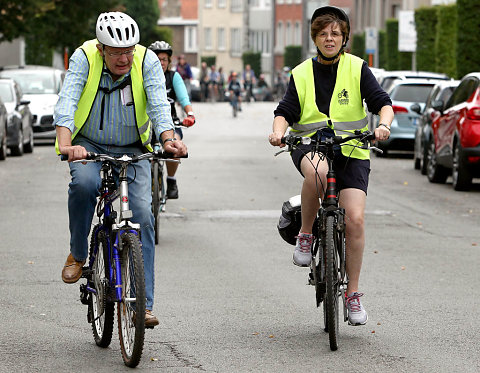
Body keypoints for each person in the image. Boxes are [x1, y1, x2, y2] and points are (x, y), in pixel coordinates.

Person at [54, 12, 187, 328]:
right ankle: (78, 253)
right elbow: (67, 100)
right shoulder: (85, 57)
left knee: (143, 214)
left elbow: (158, 105)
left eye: (129, 49)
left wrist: (168, 139)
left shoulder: (147, 61)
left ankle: (145, 306)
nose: (124, 58)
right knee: (84, 186)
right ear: (102, 49)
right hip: (88, 145)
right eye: (116, 52)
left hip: (134, 148)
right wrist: (66, 143)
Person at [268, 6, 393, 326]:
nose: (329, 38)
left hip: (352, 148)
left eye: (335, 33)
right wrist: (278, 132)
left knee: (355, 219)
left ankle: (352, 295)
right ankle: (306, 235)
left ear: (345, 38)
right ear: (315, 38)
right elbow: (285, 110)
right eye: (323, 33)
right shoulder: (300, 73)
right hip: (311, 145)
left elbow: (382, 103)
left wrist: (384, 126)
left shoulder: (358, 68)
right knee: (319, 172)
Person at [148, 41, 195, 199]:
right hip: (147, 124)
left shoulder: (173, 77)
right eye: (157, 59)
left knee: (175, 147)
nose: (161, 63)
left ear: (169, 62)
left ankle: (171, 180)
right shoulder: (143, 75)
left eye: (164, 59)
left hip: (171, 123)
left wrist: (190, 114)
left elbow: (183, 98)